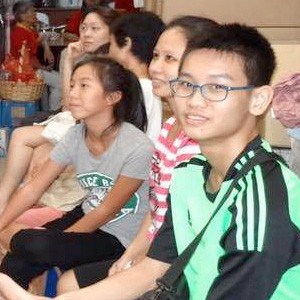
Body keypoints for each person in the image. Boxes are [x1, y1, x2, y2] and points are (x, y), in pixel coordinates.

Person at [1, 22, 300, 300]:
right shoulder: (188, 175)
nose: (195, 101)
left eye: (217, 87)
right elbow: (153, 268)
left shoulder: (263, 202)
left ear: (259, 99)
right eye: (186, 85)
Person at [55, 16, 218, 294]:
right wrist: (131, 253)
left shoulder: (199, 142)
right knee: (67, 280)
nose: (155, 67)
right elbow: (156, 210)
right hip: (150, 245)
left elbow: (183, 233)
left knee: (70, 284)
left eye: (169, 58)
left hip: (176, 262)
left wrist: (137, 260)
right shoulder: (169, 128)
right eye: (156, 56)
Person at [0, 55, 154, 292]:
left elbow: (106, 211)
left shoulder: (137, 147)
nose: (72, 93)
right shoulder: (75, 135)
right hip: (85, 213)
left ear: (112, 98)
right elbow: (33, 189)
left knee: (34, 244)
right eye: (72, 85)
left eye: (84, 86)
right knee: (16, 262)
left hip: (118, 237)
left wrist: (61, 243)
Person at [0, 7, 119, 236]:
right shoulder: (87, 58)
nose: (86, 34)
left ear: (113, 33)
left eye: (95, 29)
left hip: (86, 126)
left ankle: (13, 204)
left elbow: (72, 109)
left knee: (25, 138)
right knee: (32, 144)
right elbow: (70, 105)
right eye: (84, 28)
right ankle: (15, 202)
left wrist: (66, 63)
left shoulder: (110, 68)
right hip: (76, 122)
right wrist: (67, 61)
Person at [109, 11, 165, 142]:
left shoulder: (137, 88)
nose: (109, 52)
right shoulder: (148, 86)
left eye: (111, 44)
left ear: (126, 43)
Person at [11, 0, 61, 111]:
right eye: (32, 12)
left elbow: (40, 38)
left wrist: (46, 48)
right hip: (25, 72)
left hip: (34, 68)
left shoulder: (29, 29)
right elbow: (25, 60)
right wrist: (43, 68)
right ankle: (53, 113)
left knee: (61, 78)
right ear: (23, 15)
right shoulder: (19, 33)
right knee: (60, 83)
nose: (35, 14)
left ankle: (48, 110)